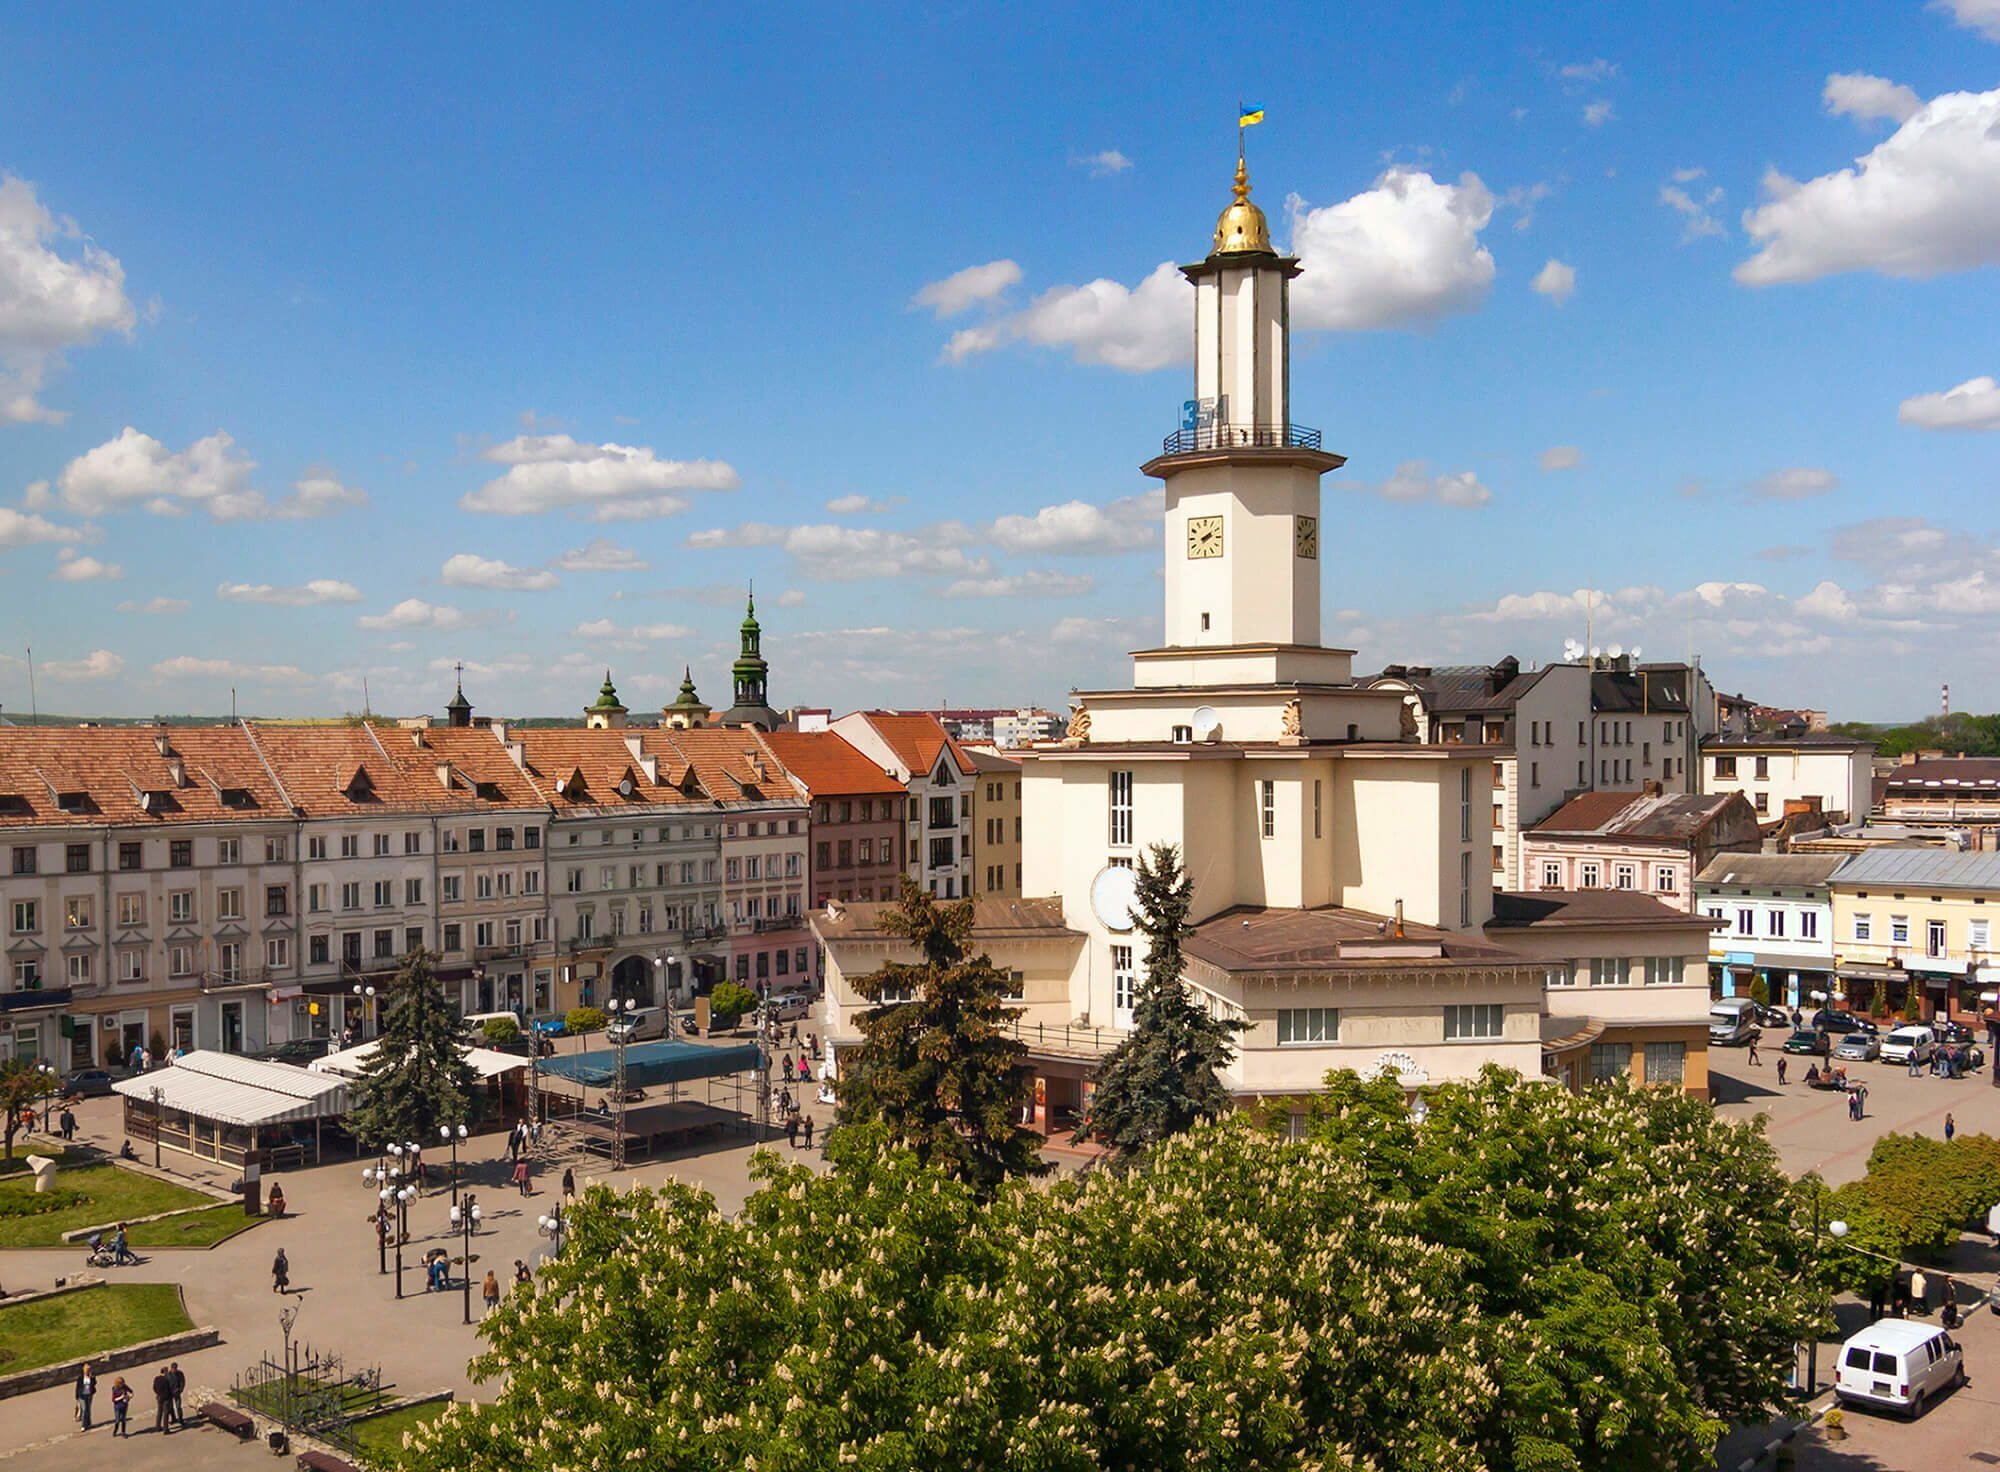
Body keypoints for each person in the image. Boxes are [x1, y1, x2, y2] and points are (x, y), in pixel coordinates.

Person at [151, 1365, 174, 1434]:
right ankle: (166, 1429)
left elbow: (154, 1388)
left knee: (159, 1412)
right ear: (165, 1372)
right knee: (166, 1413)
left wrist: (158, 1393)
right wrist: (170, 1396)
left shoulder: (156, 1378)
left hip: (159, 1397)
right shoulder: (166, 1380)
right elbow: (168, 1390)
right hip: (166, 1398)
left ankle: (158, 1427)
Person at [75, 1362, 96, 1431]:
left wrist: (91, 1377)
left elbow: (94, 1383)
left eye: (89, 1370)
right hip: (82, 1396)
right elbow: (78, 1387)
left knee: (88, 1409)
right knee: (84, 1410)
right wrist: (77, 1397)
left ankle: (88, 1423)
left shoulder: (91, 1377)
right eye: (87, 1370)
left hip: (89, 1395)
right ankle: (83, 1425)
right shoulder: (80, 1378)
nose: (88, 1372)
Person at [169, 1361, 186, 1427]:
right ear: (171, 1368)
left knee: (178, 1407)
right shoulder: (168, 1375)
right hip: (170, 1393)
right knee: (171, 1407)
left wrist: (180, 1390)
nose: (174, 1370)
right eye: (173, 1369)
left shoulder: (180, 1373)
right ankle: (173, 1418)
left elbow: (182, 1382)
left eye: (175, 1369)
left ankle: (180, 1419)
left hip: (177, 1392)